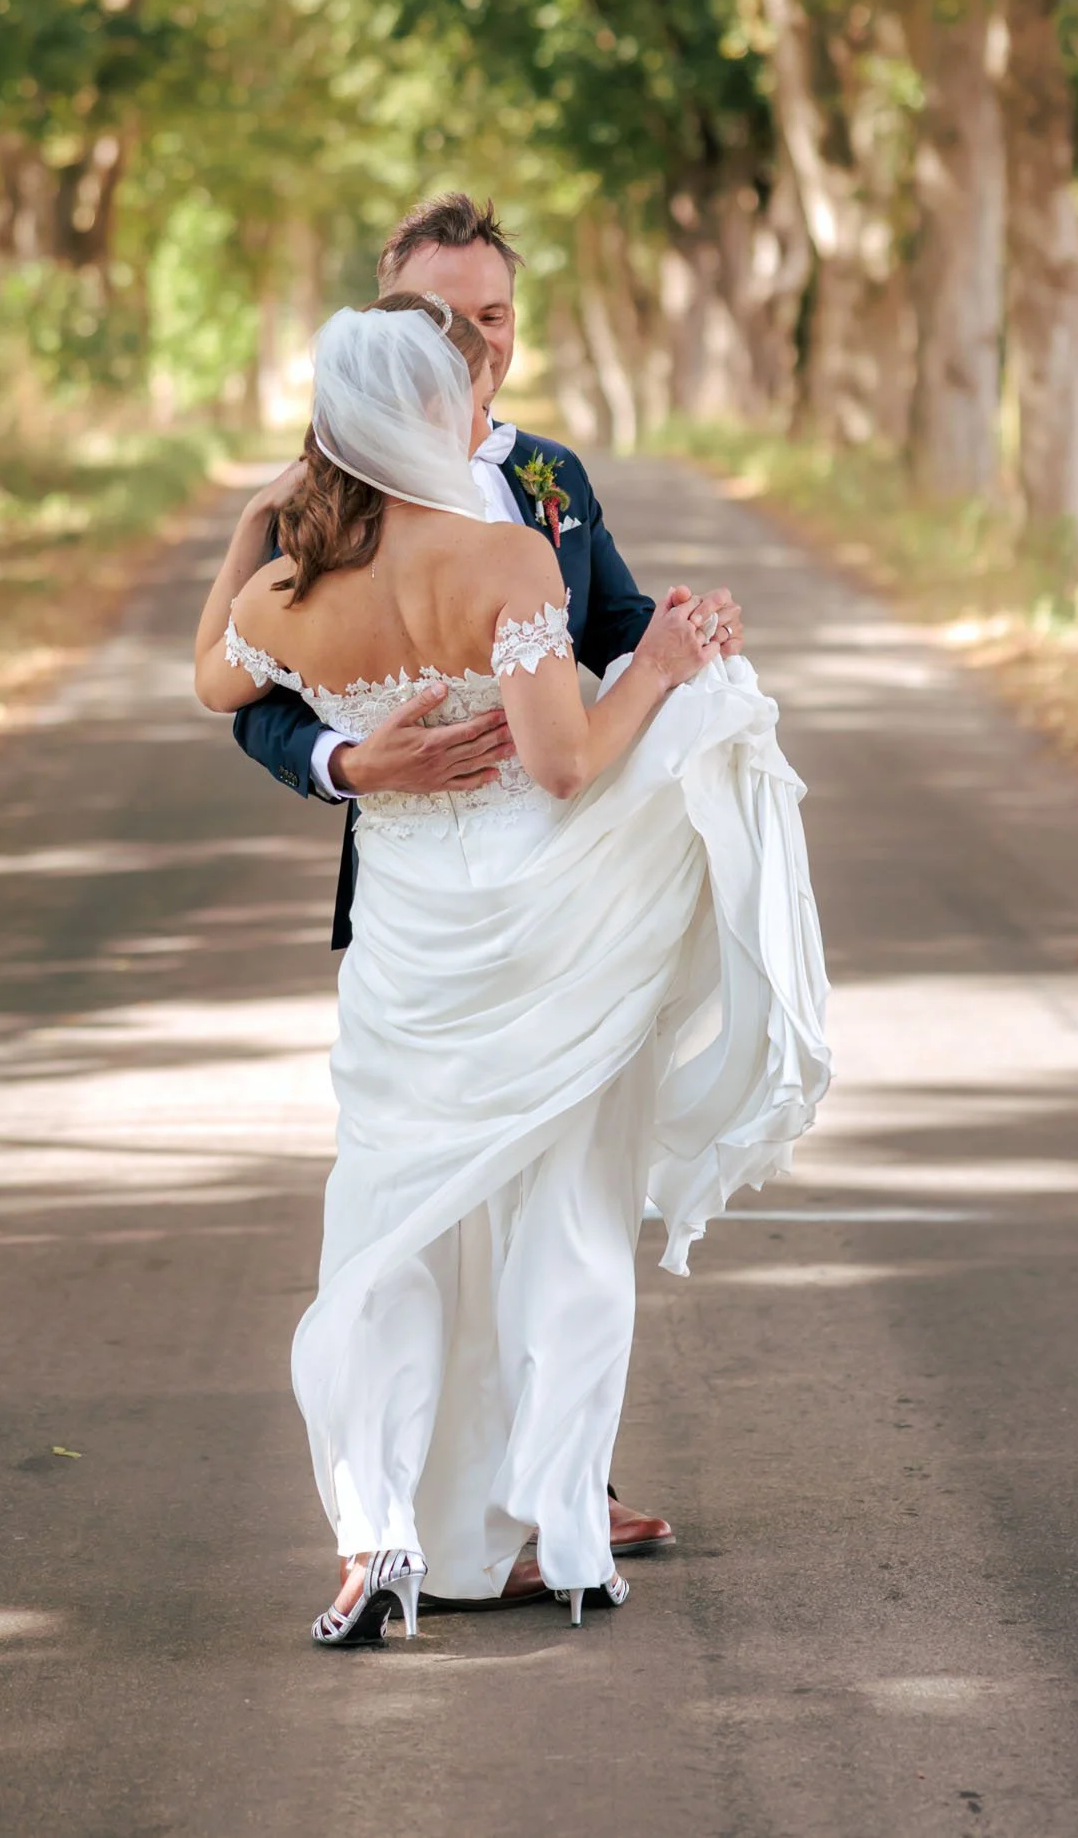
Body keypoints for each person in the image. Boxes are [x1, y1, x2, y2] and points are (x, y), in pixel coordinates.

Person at [195, 294, 828, 1644]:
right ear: (438, 414)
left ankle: (379, 1534)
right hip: (544, 924)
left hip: (411, 945)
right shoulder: (501, 563)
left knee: (388, 1224)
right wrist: (656, 669)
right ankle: (567, 1529)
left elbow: (212, 680)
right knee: (570, 1209)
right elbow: (565, 765)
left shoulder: (287, 593)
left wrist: (256, 528)